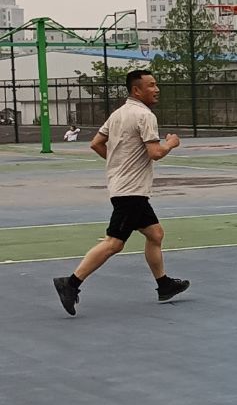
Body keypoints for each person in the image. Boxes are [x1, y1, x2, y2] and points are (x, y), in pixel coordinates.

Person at [52, 69, 189, 315]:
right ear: (137, 90)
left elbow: (96, 143)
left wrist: (118, 165)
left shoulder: (117, 114)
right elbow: (155, 153)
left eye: (156, 84)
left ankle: (164, 285)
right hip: (130, 191)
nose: (156, 89)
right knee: (114, 243)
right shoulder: (145, 115)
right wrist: (171, 143)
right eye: (151, 85)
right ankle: (70, 283)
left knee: (155, 234)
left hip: (125, 188)